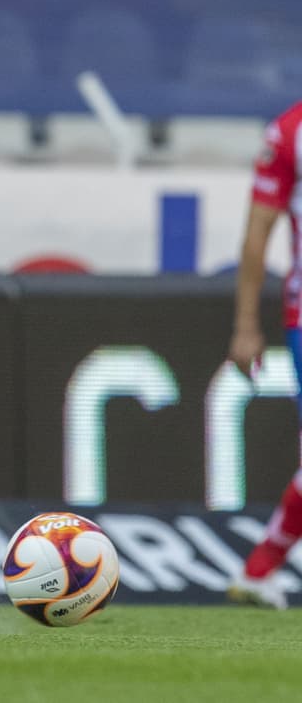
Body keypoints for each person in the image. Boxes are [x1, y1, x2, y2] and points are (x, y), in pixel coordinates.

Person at [226, 102, 302, 610]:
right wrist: (246, 324)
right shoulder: (290, 131)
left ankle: (259, 568)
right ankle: (260, 567)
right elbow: (258, 234)